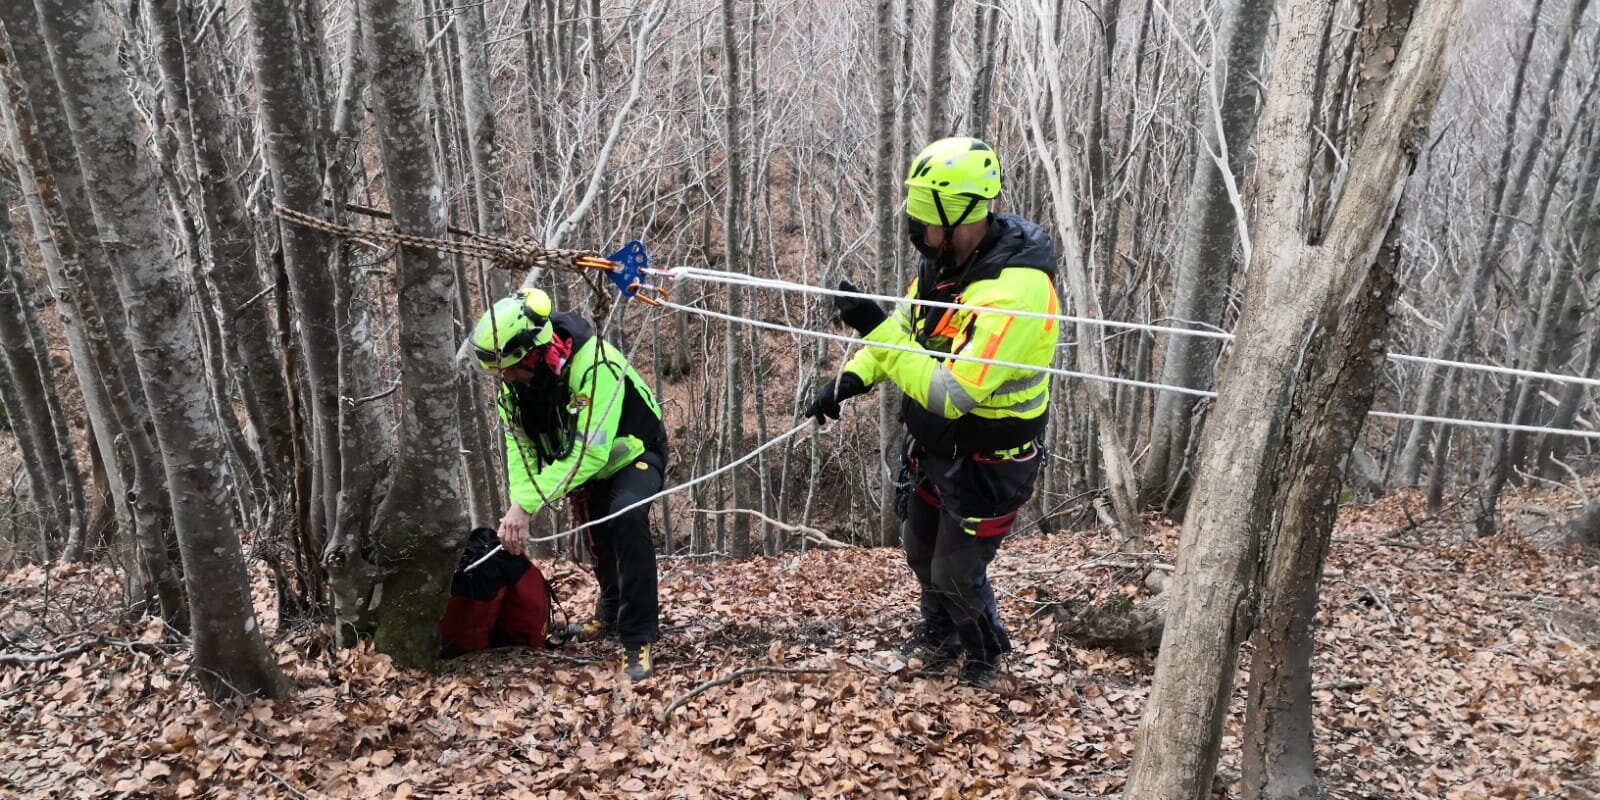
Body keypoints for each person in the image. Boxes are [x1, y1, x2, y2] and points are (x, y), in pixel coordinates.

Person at [804, 136, 1061, 689]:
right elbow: (909, 331)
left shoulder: (1017, 293)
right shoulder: (942, 265)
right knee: (920, 554)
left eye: (926, 220)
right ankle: (939, 637)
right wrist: (848, 380)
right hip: (935, 447)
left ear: (963, 214)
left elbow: (948, 390)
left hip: (991, 460)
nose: (918, 232)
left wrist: (876, 327)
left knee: (956, 571)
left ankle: (985, 655)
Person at [468, 288, 669, 681]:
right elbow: (520, 453)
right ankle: (610, 613)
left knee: (624, 519)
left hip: (636, 452)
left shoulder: (595, 367)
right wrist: (518, 503)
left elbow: (590, 453)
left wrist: (527, 506)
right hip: (588, 466)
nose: (504, 378)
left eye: (507, 367)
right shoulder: (514, 391)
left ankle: (638, 637)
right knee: (600, 538)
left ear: (532, 353)